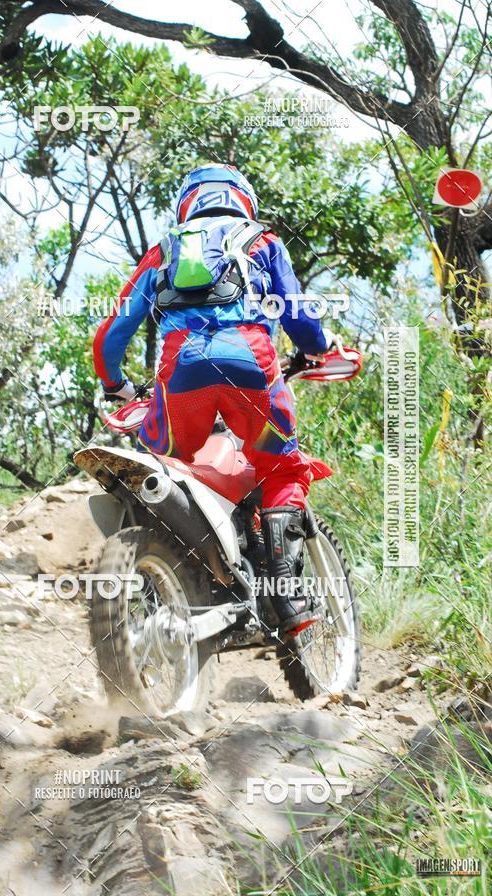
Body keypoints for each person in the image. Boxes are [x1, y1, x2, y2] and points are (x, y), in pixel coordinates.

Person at [93, 164, 332, 630]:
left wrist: (116, 385)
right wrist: (318, 348)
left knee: (168, 462)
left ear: (188, 201)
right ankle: (287, 598)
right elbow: (301, 320)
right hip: (251, 370)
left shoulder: (164, 250)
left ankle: (177, 570)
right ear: (243, 199)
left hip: (180, 377)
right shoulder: (262, 240)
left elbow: (109, 337)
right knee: (279, 466)